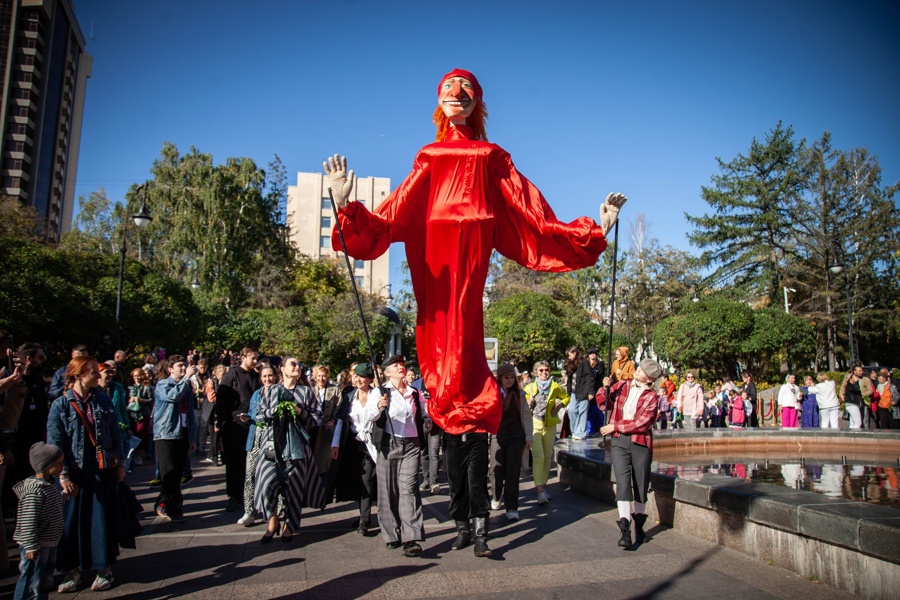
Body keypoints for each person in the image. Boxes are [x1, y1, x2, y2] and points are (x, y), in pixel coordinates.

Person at [325, 68, 624, 550]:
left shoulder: (490, 155)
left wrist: (595, 230)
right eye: (447, 91)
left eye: (464, 92)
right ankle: (464, 490)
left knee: (464, 329)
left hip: (472, 250)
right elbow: (395, 211)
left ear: (476, 103)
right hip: (435, 256)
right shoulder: (429, 155)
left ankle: (474, 489)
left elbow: (533, 215)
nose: (455, 98)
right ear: (438, 102)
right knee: (438, 332)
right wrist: (347, 206)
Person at [47, 356, 125, 593]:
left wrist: (119, 463)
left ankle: (104, 569)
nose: (97, 375)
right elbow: (55, 443)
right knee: (71, 523)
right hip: (75, 471)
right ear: (78, 375)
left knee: (101, 519)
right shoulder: (60, 405)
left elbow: (114, 432)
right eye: (92, 371)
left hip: (101, 469)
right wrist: (63, 476)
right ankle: (72, 571)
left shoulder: (101, 399)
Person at [253, 357, 326, 543]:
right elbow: (259, 416)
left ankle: (290, 525)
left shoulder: (305, 392)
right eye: (292, 364)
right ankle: (272, 521)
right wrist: (273, 411)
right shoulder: (272, 391)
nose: (297, 367)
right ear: (283, 369)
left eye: (299, 365)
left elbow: (318, 418)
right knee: (267, 481)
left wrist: (301, 412)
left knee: (294, 487)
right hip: (272, 443)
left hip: (297, 446)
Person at [366, 355, 431, 557]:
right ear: (387, 372)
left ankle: (411, 538)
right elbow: (368, 417)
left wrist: (428, 420)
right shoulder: (380, 392)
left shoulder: (414, 393)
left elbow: (425, 412)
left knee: (409, 489)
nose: (400, 367)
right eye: (395, 365)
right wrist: (378, 407)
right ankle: (391, 533)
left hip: (411, 444)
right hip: (388, 444)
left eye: (402, 365)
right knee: (388, 492)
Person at [598, 358, 663, 549]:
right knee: (623, 483)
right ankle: (625, 530)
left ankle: (639, 527)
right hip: (619, 441)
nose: (637, 371)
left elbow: (643, 423)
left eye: (642, 370)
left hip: (640, 442)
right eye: (639, 368)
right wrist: (604, 388)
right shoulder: (623, 386)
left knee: (640, 485)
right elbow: (604, 403)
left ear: (649, 377)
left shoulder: (652, 396)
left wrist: (614, 426)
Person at [12, 442, 65, 600]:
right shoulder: (34, 492)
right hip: (37, 545)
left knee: (43, 579)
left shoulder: (48, 486)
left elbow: (53, 505)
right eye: (59, 463)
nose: (62, 466)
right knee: (31, 579)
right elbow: (28, 521)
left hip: (49, 541)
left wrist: (66, 496)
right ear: (46, 465)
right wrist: (31, 546)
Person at [331, 362, 378, 534]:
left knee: (367, 480)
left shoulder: (377, 395)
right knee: (357, 481)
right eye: (356, 376)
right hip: (353, 443)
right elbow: (342, 420)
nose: (357, 379)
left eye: (362, 377)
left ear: (369, 379)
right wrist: (335, 443)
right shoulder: (349, 396)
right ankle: (363, 516)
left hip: (371, 444)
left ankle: (364, 521)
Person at [216, 347, 260, 512]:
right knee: (234, 462)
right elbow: (221, 398)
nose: (255, 361)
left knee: (251, 462)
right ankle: (234, 495)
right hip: (234, 425)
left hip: (251, 424)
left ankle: (249, 495)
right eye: (252, 358)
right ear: (243, 357)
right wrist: (224, 421)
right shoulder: (231, 375)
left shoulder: (256, 376)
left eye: (256, 358)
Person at [490, 364, 532, 521]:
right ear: (500, 378)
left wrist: (529, 436)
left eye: (512, 377)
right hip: (498, 435)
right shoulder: (492, 393)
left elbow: (526, 416)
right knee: (495, 468)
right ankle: (495, 496)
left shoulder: (519, 394)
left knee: (513, 472)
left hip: (516, 436)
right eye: (506, 377)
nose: (509, 380)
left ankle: (512, 507)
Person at [237, 363, 278, 527]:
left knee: (271, 475)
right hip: (255, 438)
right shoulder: (256, 394)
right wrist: (246, 417)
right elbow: (254, 414)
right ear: (260, 379)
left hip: (270, 441)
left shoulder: (279, 393)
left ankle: (273, 510)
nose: (268, 379)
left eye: (270, 376)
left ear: (275, 376)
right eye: (265, 376)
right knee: (250, 474)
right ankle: (249, 511)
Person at [524, 361, 568, 506]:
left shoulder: (555, 386)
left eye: (547, 370)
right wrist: (527, 402)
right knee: (539, 457)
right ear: (536, 372)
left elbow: (566, 397)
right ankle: (539, 491)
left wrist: (560, 405)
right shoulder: (529, 387)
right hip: (535, 425)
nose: (544, 373)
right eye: (541, 370)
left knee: (548, 458)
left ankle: (543, 487)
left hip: (549, 425)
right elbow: (520, 404)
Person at [565, 346, 595, 441]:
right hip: (574, 391)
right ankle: (574, 431)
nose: (569, 357)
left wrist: (590, 392)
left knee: (582, 411)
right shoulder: (571, 363)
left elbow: (590, 377)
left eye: (570, 355)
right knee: (572, 410)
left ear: (575, 353)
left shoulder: (584, 362)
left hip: (583, 390)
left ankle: (581, 432)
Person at [126, 368, 152, 470]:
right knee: (132, 433)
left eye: (138, 376)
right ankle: (131, 455)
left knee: (141, 434)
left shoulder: (147, 387)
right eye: (134, 376)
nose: (136, 378)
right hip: (132, 413)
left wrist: (140, 400)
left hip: (142, 413)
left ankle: (139, 456)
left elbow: (150, 400)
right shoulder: (130, 387)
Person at [200, 364, 226, 464]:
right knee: (214, 437)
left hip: (222, 411)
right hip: (213, 412)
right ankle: (214, 457)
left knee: (222, 436)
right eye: (222, 374)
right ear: (217, 373)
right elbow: (211, 397)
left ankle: (223, 457)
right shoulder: (211, 382)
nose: (223, 376)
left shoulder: (225, 383)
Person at [839, 365, 872, 430]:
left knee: (855, 422)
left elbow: (870, 390)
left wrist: (864, 394)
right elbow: (843, 388)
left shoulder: (865, 379)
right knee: (858, 422)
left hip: (862, 402)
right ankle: (855, 435)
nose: (861, 372)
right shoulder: (848, 379)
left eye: (862, 370)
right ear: (854, 371)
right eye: (859, 371)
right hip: (851, 402)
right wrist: (842, 395)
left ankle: (852, 435)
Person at [585, 348, 606, 435]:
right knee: (588, 410)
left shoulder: (600, 363)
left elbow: (599, 374)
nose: (592, 355)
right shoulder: (586, 364)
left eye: (594, 353)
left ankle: (600, 428)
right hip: (589, 390)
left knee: (597, 409)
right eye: (590, 353)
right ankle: (590, 430)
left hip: (597, 389)